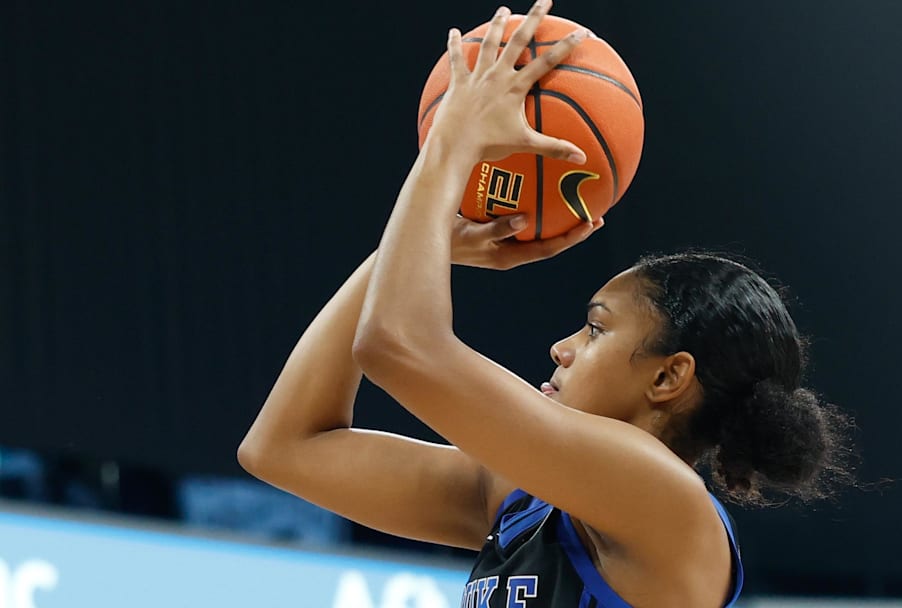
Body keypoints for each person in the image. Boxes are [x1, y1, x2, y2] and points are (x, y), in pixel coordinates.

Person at [239, 2, 853, 606]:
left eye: (594, 329)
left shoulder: (666, 503)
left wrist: (451, 145)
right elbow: (285, 447)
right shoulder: (521, 499)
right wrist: (414, 249)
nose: (560, 348)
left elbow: (397, 345)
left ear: (669, 375)